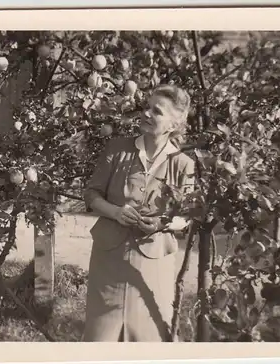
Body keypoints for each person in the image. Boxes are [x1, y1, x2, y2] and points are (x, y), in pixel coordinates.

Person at [82, 84, 195, 342]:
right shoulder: (118, 148)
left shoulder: (183, 164)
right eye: (147, 107)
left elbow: (187, 217)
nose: (146, 113)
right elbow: (91, 194)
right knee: (100, 339)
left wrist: (162, 224)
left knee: (149, 339)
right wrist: (115, 212)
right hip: (108, 260)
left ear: (173, 124)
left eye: (156, 111)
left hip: (153, 265)